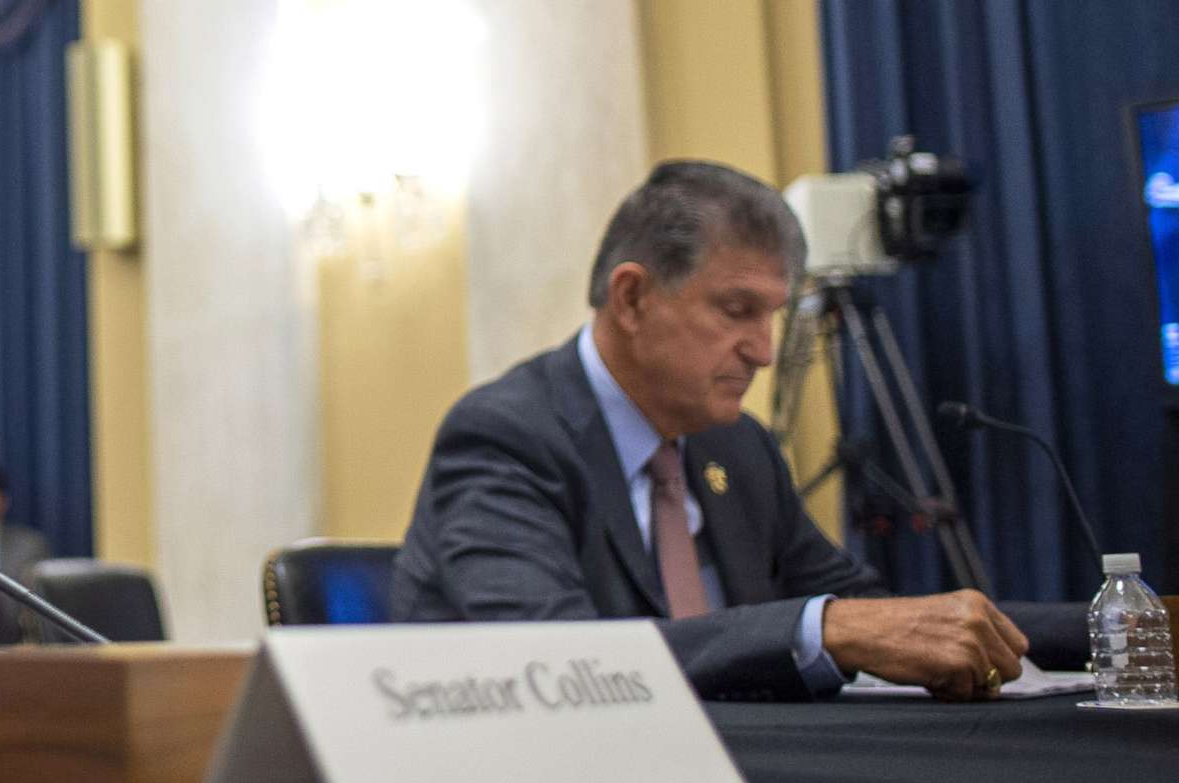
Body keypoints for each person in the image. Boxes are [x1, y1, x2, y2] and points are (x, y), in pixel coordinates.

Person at [394, 161, 1050, 702]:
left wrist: (1064, 630)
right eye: (738, 311)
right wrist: (823, 627)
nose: (764, 352)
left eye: (773, 316)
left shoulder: (739, 446)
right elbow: (557, 661)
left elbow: (867, 608)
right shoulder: (505, 435)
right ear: (632, 298)